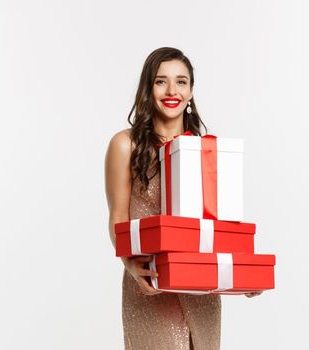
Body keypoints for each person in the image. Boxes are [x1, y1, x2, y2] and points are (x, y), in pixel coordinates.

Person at [104, 47, 261, 350]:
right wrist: (130, 265)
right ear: (148, 88)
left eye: (181, 81)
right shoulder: (125, 144)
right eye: (161, 81)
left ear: (191, 91)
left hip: (199, 287)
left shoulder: (207, 150)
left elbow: (216, 226)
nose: (172, 90)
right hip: (149, 283)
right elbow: (117, 218)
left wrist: (241, 273)